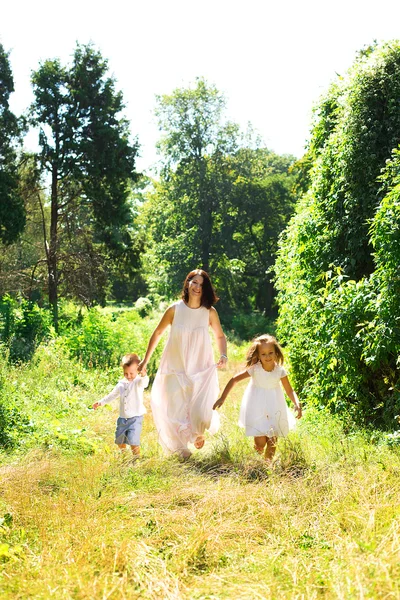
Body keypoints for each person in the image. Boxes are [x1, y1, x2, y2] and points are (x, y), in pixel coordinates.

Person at [138, 269, 227, 458]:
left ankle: (197, 433)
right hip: (174, 365)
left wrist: (224, 355)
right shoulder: (175, 309)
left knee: (199, 405)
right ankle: (180, 449)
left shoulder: (209, 312)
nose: (197, 287)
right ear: (187, 283)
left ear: (206, 289)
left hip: (200, 366)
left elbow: (219, 335)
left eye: (202, 285)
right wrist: (145, 360)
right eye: (194, 282)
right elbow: (157, 333)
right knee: (173, 406)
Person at [213, 334, 302, 463]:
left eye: (270, 353)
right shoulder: (255, 369)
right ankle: (258, 454)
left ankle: (267, 467)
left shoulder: (280, 371)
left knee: (272, 441)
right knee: (260, 442)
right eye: (263, 354)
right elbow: (234, 380)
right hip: (257, 407)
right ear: (258, 355)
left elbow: (289, 390)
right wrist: (222, 398)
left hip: (275, 406)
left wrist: (297, 403)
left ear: (276, 353)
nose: (268, 356)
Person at [93, 353, 149, 457]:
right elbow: (112, 395)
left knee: (133, 440)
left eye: (131, 373)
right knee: (120, 439)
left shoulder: (138, 382)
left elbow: (145, 383)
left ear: (138, 369)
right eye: (125, 373)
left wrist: (144, 374)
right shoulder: (121, 384)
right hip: (122, 418)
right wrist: (101, 402)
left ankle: (136, 458)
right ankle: (123, 455)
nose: (128, 376)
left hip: (135, 417)